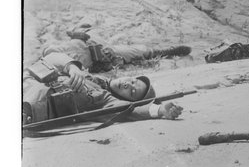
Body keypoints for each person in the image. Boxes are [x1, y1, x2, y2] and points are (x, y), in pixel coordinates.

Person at [23, 51, 183, 125]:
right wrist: (72, 67)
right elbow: (52, 56)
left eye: (132, 92)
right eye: (133, 81)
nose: (128, 84)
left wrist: (160, 110)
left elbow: (129, 111)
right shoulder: (89, 74)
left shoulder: (107, 100)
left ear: (126, 99)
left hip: (29, 107)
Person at [41, 24, 191, 73]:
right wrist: (108, 64)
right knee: (128, 53)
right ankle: (158, 52)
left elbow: (47, 51)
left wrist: (79, 36)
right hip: (98, 57)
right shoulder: (65, 74)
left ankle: (161, 52)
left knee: (128, 51)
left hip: (86, 42)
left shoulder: (53, 55)